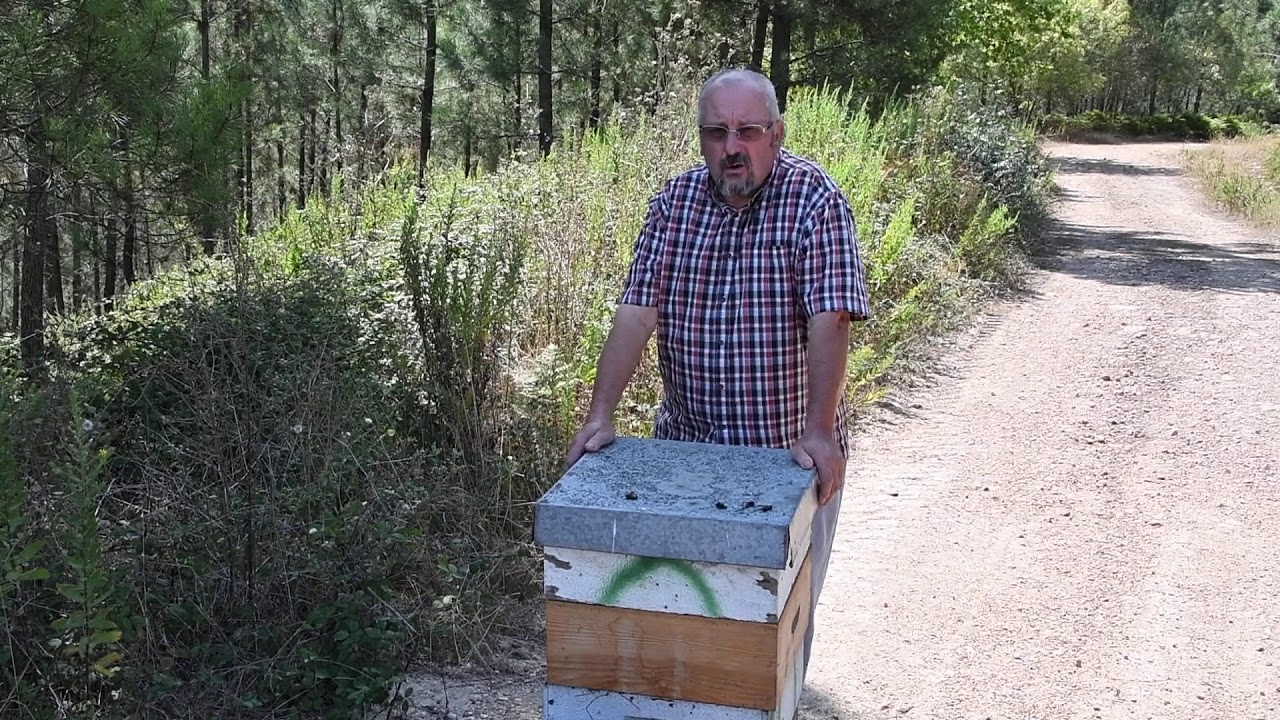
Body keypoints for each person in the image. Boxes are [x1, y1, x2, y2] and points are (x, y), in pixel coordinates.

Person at [563, 67, 870, 673]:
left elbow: (830, 319)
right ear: (701, 138)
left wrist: (819, 431)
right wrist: (600, 415)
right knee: (685, 638)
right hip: (686, 456)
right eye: (717, 132)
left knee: (772, 653)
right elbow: (635, 312)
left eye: (748, 131)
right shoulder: (673, 205)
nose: (732, 148)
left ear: (776, 134)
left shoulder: (816, 200)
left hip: (786, 459)